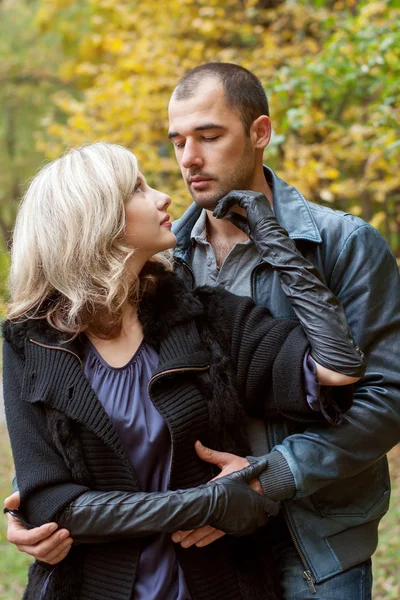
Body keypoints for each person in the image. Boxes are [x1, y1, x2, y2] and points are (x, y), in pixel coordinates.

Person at [5, 62, 400, 597]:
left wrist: (265, 478)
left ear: (260, 133)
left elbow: (384, 398)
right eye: (177, 142)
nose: (188, 160)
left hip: (315, 535)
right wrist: (35, 502)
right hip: (193, 546)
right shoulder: (165, 273)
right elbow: (78, 423)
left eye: (210, 137)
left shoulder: (342, 243)